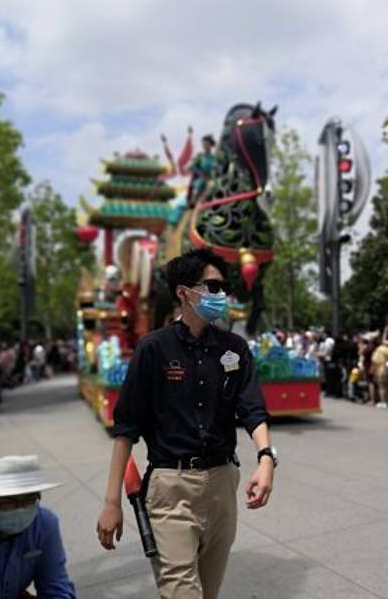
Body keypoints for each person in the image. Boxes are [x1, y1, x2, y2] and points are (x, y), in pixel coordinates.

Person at [97, 248, 276, 599]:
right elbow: (126, 429)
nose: (221, 295)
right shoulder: (153, 349)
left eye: (224, 288)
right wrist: (111, 501)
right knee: (182, 592)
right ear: (183, 292)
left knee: (208, 593)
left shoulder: (235, 349)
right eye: (212, 287)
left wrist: (266, 458)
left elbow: (253, 409)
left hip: (222, 485)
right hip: (170, 490)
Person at [0, 455, 76, 598]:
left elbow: (56, 586)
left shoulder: (44, 524)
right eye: (7, 502)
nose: (20, 509)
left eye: (29, 500)